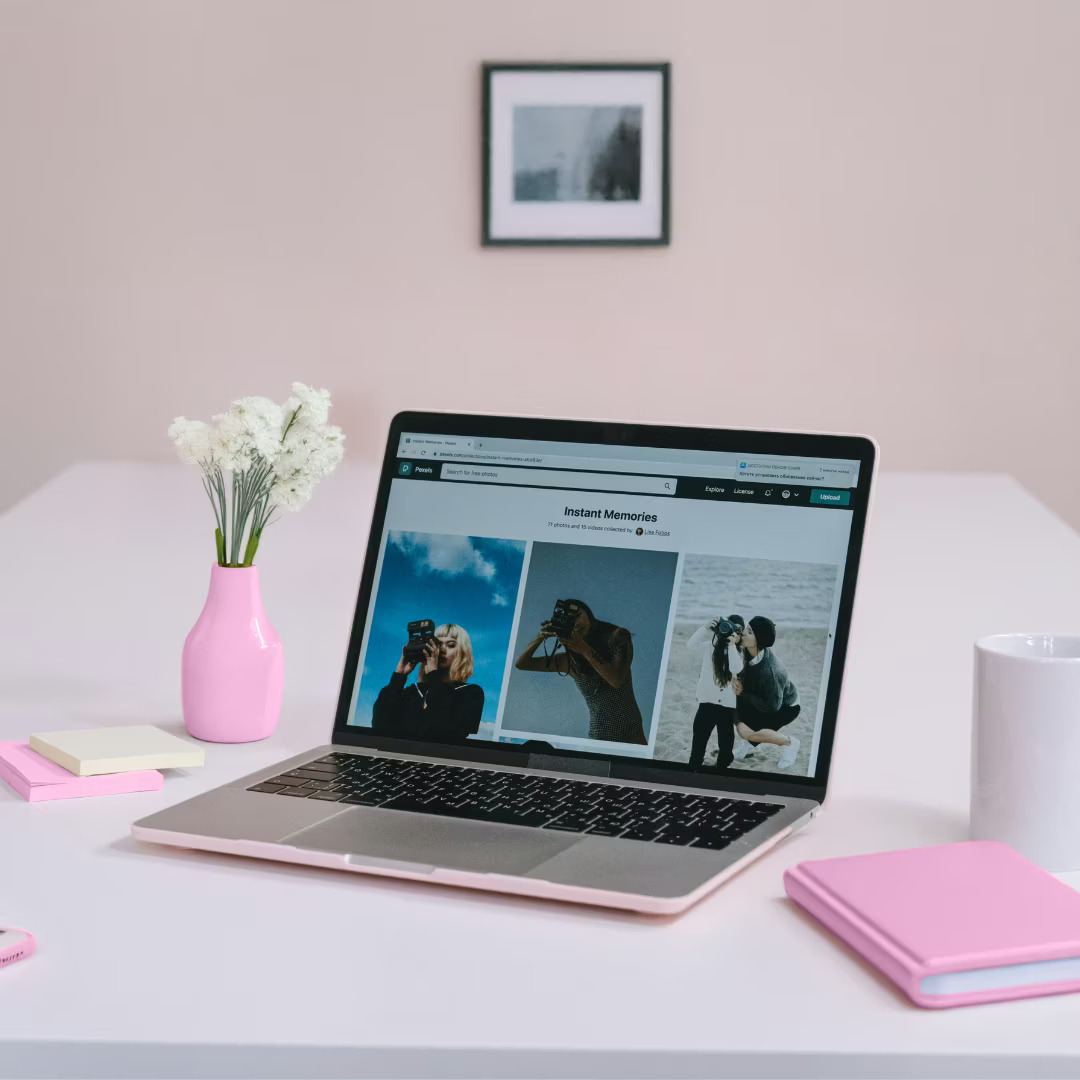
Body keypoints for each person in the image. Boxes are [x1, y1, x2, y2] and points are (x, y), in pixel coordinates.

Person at [515, 599, 647, 744]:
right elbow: (522, 663)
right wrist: (541, 636)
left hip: (633, 732)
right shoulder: (571, 661)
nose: (576, 623)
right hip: (600, 734)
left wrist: (583, 648)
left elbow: (616, 680)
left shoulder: (618, 637)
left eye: (577, 615)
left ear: (588, 613)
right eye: (569, 620)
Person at [372, 623, 483, 742]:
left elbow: (442, 732)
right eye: (437, 644)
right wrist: (399, 676)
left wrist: (433, 674)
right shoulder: (413, 691)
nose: (442, 650)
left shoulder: (471, 692)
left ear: (462, 653)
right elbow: (379, 725)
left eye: (451, 645)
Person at [732, 615, 801, 769]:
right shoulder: (749, 650)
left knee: (745, 730)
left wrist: (743, 693)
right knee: (730, 710)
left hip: (785, 707)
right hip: (762, 697)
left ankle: (788, 743)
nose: (743, 633)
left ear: (759, 640)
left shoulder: (770, 671)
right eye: (746, 628)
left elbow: (772, 707)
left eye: (749, 632)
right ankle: (750, 743)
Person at [686, 615, 744, 769]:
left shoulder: (739, 653)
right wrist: (705, 629)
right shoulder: (710, 647)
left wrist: (731, 646)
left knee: (725, 749)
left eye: (738, 631)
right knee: (698, 744)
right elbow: (690, 646)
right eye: (731, 628)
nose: (734, 633)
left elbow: (735, 668)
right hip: (707, 704)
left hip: (727, 708)